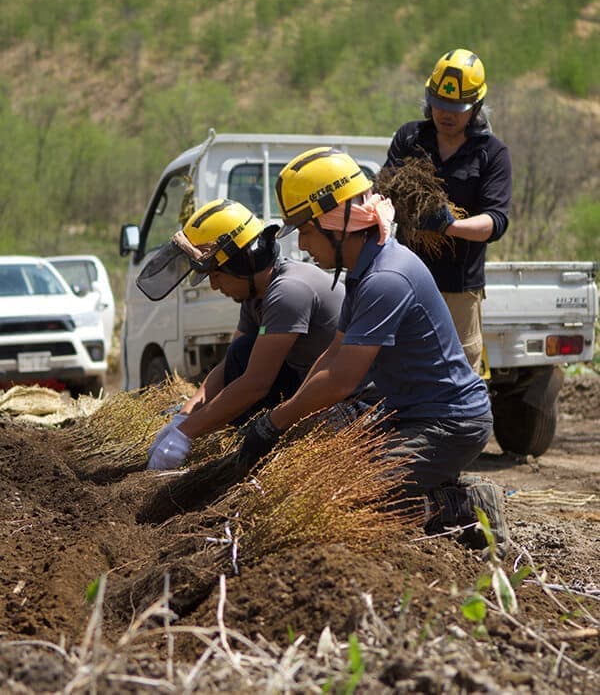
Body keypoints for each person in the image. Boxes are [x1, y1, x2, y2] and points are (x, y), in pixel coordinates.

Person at [238, 147, 507, 552]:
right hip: (408, 415)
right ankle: (434, 481)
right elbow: (333, 354)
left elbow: (341, 381)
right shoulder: (363, 269)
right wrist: (291, 417)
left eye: (306, 231)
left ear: (336, 223)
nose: (303, 245)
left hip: (450, 423)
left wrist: (274, 423)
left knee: (346, 501)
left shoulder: (386, 277)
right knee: (319, 477)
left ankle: (460, 505)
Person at [137, 198, 345, 471]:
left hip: (344, 401)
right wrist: (183, 417)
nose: (214, 285)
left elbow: (256, 383)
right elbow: (229, 367)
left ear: (241, 264)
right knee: (240, 353)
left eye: (216, 274)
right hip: (304, 382)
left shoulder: (288, 292)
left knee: (244, 369)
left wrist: (185, 435)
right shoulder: (256, 296)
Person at [383, 48, 512, 373]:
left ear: (476, 107)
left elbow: (495, 221)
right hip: (406, 279)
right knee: (403, 369)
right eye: (439, 104)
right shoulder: (410, 138)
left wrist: (449, 225)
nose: (445, 114)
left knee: (458, 374)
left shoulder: (492, 154)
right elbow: (385, 191)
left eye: (457, 108)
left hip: (458, 289)